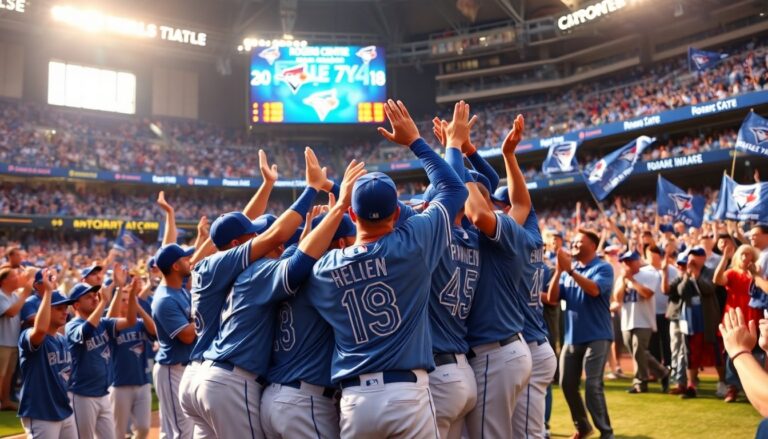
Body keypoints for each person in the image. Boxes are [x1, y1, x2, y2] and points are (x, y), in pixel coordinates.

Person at [307, 99, 467, 438]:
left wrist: (335, 196)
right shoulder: (415, 243)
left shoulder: (324, 268)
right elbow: (454, 189)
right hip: (407, 392)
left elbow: (302, 258)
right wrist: (415, 142)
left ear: (352, 215)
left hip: (354, 399)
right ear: (397, 211)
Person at [195, 158, 365, 439]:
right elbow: (293, 255)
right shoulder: (260, 271)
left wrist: (312, 228)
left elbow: (291, 251)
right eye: (255, 236)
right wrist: (328, 201)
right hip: (255, 386)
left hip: (235, 380)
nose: (265, 240)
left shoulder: (222, 266)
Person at [179, 150, 325, 433]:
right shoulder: (235, 267)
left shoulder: (211, 263)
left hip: (201, 371)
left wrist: (267, 185)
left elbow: (239, 226)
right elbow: (275, 236)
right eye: (250, 237)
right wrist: (312, 189)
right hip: (228, 376)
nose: (256, 239)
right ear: (236, 244)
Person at [261, 212, 356, 439]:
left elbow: (302, 250)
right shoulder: (324, 280)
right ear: (341, 242)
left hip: (272, 397)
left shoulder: (286, 271)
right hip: (305, 402)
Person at [546, 229, 614, 439]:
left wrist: (571, 273)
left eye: (579, 242)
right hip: (572, 337)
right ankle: (583, 427)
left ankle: (606, 432)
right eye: (573, 241)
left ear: (593, 246)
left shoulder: (603, 268)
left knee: (593, 385)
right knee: (566, 384)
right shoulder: (568, 270)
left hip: (598, 335)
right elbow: (552, 298)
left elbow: (594, 290)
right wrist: (559, 271)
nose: (574, 244)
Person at [65, 280, 137, 439]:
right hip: (81, 395)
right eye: (89, 297)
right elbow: (86, 332)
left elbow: (130, 321)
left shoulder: (103, 323)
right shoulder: (72, 326)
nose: (95, 298)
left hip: (103, 394)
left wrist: (132, 295)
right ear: (76, 305)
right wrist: (104, 300)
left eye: (95, 295)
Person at [17, 270, 77, 439]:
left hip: (64, 410)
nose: (65, 312)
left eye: (66, 308)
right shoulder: (28, 335)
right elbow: (40, 329)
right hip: (40, 412)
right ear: (45, 311)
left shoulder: (62, 339)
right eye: (59, 308)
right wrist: (49, 292)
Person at [151, 244, 197, 439]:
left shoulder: (179, 290)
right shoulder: (164, 299)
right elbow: (187, 336)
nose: (189, 260)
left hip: (184, 367)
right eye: (185, 258)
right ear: (175, 267)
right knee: (179, 432)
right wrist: (207, 315)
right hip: (172, 369)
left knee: (190, 428)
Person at [109, 278, 157, 439]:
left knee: (143, 428)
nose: (127, 302)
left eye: (129, 299)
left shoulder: (140, 323)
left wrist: (138, 308)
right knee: (118, 432)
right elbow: (109, 319)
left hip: (142, 382)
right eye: (124, 300)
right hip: (119, 385)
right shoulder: (112, 325)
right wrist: (120, 288)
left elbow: (154, 331)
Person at [614, 251, 668, 393]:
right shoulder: (622, 277)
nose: (627, 264)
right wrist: (624, 281)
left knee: (639, 350)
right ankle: (662, 372)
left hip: (643, 319)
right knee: (639, 353)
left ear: (638, 261)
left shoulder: (648, 275)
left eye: (630, 261)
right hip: (626, 320)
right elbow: (617, 298)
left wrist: (632, 281)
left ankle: (641, 381)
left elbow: (647, 294)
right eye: (624, 261)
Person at [714, 243, 762, 402]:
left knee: (754, 354)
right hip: (734, 317)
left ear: (752, 257)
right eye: (742, 254)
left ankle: (754, 388)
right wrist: (724, 258)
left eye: (747, 254)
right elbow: (717, 280)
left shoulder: (756, 274)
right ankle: (732, 388)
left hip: (753, 317)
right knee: (731, 354)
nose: (744, 257)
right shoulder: (733, 273)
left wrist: (756, 275)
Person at [673, 247, 721, 399]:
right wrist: (688, 276)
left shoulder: (710, 272)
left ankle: (723, 382)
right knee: (690, 354)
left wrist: (697, 275)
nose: (692, 262)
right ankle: (691, 384)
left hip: (707, 319)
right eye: (690, 259)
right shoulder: (685, 273)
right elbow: (680, 291)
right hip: (690, 320)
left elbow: (709, 288)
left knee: (714, 352)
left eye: (695, 258)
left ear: (703, 259)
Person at [0, 266, 31, 410]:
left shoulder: (14, 296)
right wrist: (25, 294)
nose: (17, 278)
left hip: (12, 342)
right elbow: (11, 312)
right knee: (1, 374)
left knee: (8, 375)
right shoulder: (1, 295)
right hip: (2, 342)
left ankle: (5, 401)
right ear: (4, 281)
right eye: (13, 276)